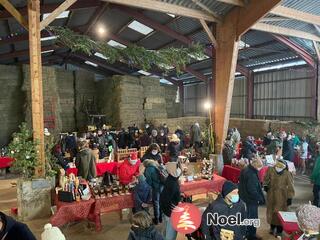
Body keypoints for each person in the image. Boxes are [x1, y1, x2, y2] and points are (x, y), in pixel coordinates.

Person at [263, 160, 295, 237]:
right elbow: (266, 178)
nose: (278, 168)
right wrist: (265, 185)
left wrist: (290, 197)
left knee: (280, 212)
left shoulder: (287, 174)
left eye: (280, 167)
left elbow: (291, 186)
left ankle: (279, 229)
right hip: (271, 194)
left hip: (282, 195)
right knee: (271, 211)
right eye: (277, 166)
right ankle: (272, 227)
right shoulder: (271, 170)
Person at [239, 158, 265, 240]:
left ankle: (247, 232)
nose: (260, 169)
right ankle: (251, 235)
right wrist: (259, 198)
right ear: (256, 166)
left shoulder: (246, 169)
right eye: (260, 167)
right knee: (253, 217)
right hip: (251, 200)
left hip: (245, 197)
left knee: (248, 216)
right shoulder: (252, 174)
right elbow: (252, 190)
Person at [160, 162, 182, 240]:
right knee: (171, 233)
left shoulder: (170, 178)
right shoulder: (173, 183)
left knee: (166, 229)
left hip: (167, 210)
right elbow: (167, 199)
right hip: (171, 211)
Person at [143, 159, 163, 225]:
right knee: (161, 202)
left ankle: (156, 219)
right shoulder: (157, 165)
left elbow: (149, 181)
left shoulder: (148, 169)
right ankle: (161, 218)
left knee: (156, 203)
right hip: (163, 186)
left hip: (156, 188)